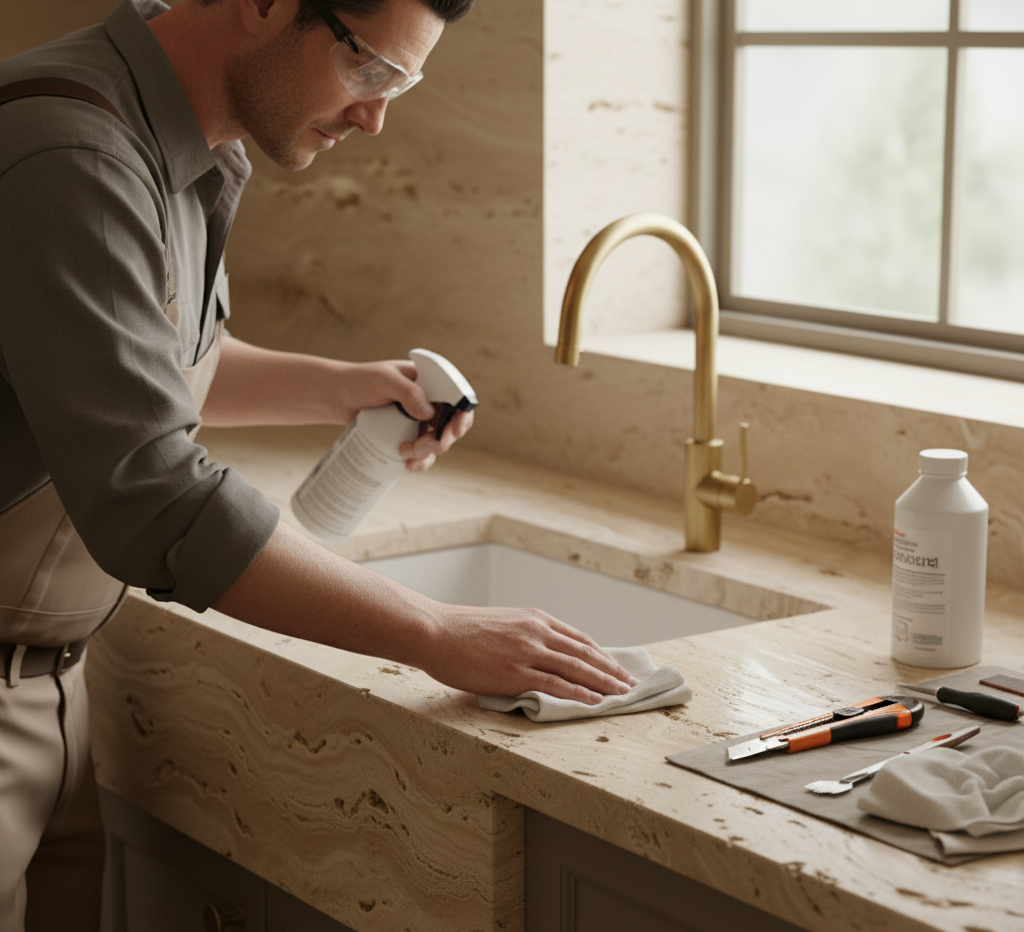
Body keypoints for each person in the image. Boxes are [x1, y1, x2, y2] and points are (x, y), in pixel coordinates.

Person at [0, 0, 639, 929]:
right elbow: (153, 495)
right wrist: (434, 630)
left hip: (53, 686)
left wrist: (342, 388)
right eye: (369, 69)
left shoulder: (185, 140)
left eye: (401, 84)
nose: (375, 117)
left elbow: (125, 372)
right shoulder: (73, 153)